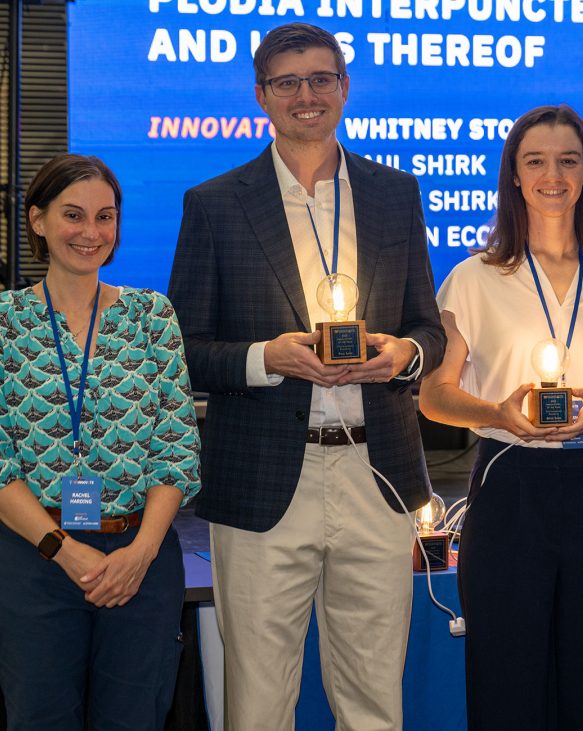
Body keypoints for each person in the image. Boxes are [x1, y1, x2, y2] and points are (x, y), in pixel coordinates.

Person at [167, 22, 446, 730]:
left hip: (376, 474)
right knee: (258, 701)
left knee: (373, 697)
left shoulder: (396, 194)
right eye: (288, 82)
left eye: (322, 78)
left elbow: (428, 328)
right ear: (261, 96)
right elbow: (184, 348)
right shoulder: (215, 203)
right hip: (262, 481)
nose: (307, 95)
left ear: (345, 89)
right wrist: (269, 358)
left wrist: (401, 358)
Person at [419, 104, 583, 730]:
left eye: (567, 161)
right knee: (505, 684)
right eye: (535, 161)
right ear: (515, 178)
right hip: (508, 486)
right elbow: (435, 394)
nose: (552, 175)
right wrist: (497, 411)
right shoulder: (472, 279)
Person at [0, 154, 202, 729]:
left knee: (135, 720)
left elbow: (176, 451)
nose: (90, 233)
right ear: (38, 221)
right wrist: (66, 552)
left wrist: (138, 555)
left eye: (105, 217)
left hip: (139, 562)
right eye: (73, 215)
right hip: (36, 561)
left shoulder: (152, 317)